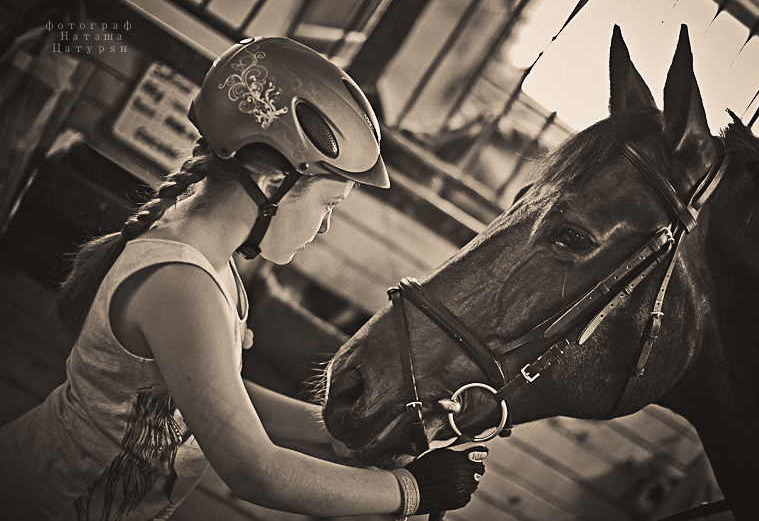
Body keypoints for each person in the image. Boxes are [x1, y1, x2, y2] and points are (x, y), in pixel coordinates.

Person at [0, 37, 487, 520]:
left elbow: (210, 398)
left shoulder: (212, 264)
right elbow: (255, 471)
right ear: (275, 182)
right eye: (328, 204)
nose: (324, 227)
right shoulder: (181, 286)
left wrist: (342, 431)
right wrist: (412, 490)